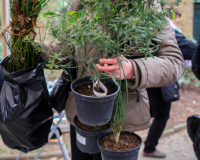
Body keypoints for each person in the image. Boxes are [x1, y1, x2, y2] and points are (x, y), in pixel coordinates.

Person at [41, 0, 185, 159]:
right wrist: (31, 52)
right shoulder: (81, 3)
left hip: (121, 121)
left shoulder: (146, 5)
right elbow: (65, 51)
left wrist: (132, 68)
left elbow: (174, 63)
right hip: (82, 113)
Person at [141, 9, 198, 158]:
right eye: (177, 17)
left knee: (152, 111)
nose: (177, 20)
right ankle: (149, 147)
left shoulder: (151, 26)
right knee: (161, 115)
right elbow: (189, 48)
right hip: (161, 79)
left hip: (150, 76)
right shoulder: (167, 30)